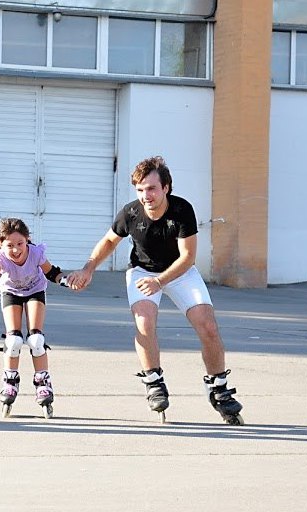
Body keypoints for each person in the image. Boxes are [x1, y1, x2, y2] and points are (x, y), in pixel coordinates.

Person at [66, 156, 244, 424]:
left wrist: (160, 281)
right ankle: (154, 381)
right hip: (142, 272)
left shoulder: (182, 210)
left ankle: (218, 388)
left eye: (151, 188)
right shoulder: (131, 213)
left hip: (179, 272)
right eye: (139, 189)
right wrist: (88, 268)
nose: (145, 195)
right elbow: (109, 241)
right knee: (145, 323)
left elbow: (187, 258)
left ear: (166, 188)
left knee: (208, 326)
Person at [0, 218, 65, 419]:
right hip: (11, 292)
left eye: (20, 244)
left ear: (27, 241)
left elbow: (51, 272)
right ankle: (10, 381)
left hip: (35, 290)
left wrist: (66, 281)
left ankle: (43, 382)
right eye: (9, 245)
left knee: (36, 340)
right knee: (13, 340)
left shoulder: (36, 253)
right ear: (1, 245)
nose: (15, 250)